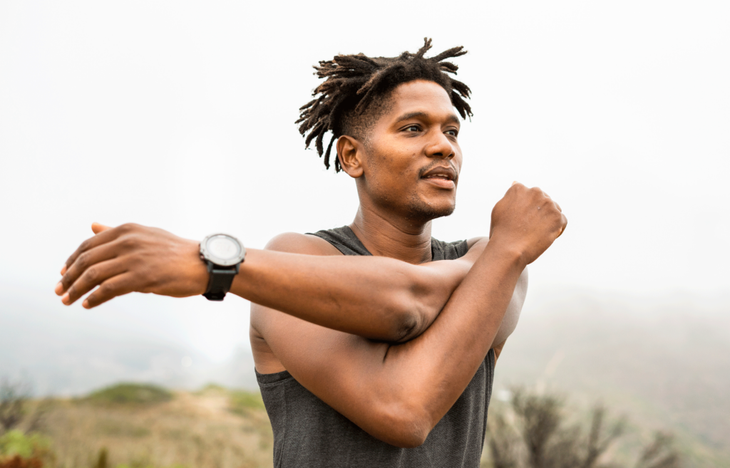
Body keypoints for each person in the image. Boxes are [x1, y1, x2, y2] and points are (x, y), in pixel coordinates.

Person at [56, 39, 566, 467]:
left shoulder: (491, 258)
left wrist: (220, 266)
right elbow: (402, 402)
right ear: (352, 155)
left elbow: (409, 301)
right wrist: (221, 263)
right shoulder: (298, 257)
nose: (444, 147)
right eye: (414, 128)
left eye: (451, 131)